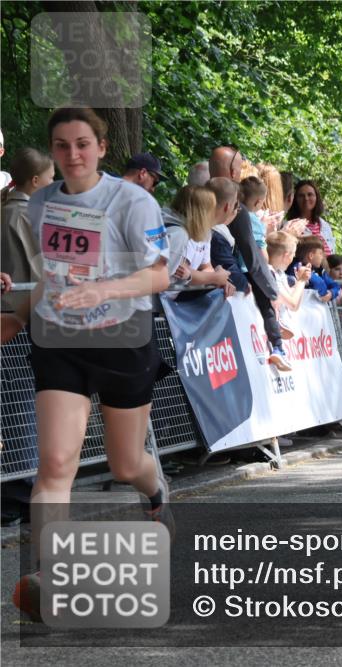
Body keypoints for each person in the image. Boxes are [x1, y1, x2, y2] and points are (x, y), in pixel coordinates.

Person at [4, 108, 173, 621]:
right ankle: (48, 576)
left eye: (82, 144)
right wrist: (15, 316)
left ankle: (155, 489)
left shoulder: (133, 201)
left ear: (101, 147)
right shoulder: (38, 204)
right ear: (51, 153)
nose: (72, 155)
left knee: (126, 466)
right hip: (59, 340)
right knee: (55, 465)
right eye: (61, 145)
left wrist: (103, 288)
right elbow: (46, 276)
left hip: (122, 339)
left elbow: (160, 276)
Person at [209, 146, 285, 369]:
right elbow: (252, 256)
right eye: (239, 166)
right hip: (230, 279)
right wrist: (272, 290)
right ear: (234, 171)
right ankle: (278, 345)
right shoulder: (238, 210)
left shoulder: (197, 196)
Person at [1, 148, 54, 310]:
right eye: (51, 177)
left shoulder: (6, 207)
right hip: (22, 306)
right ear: (36, 180)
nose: (53, 183)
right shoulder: (26, 214)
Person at [162, 185, 231, 296]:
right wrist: (215, 278)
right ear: (202, 213)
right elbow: (160, 280)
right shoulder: (179, 235)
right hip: (154, 304)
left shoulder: (169, 224)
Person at [266, 231, 312, 333]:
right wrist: (301, 280)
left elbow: (294, 306)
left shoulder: (280, 274)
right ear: (286, 255)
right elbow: (292, 304)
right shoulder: (269, 274)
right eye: (293, 255)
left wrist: (300, 282)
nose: (293, 259)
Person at [287, 180, 335, 255]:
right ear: (295, 200)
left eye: (310, 194)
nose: (306, 198)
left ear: (316, 197)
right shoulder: (291, 226)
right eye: (301, 196)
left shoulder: (325, 226)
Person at [292, 235, 338, 303]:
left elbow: (335, 285)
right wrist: (325, 292)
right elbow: (320, 286)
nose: (323, 257)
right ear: (311, 256)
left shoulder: (320, 270)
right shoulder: (298, 268)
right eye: (320, 253)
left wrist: (331, 293)